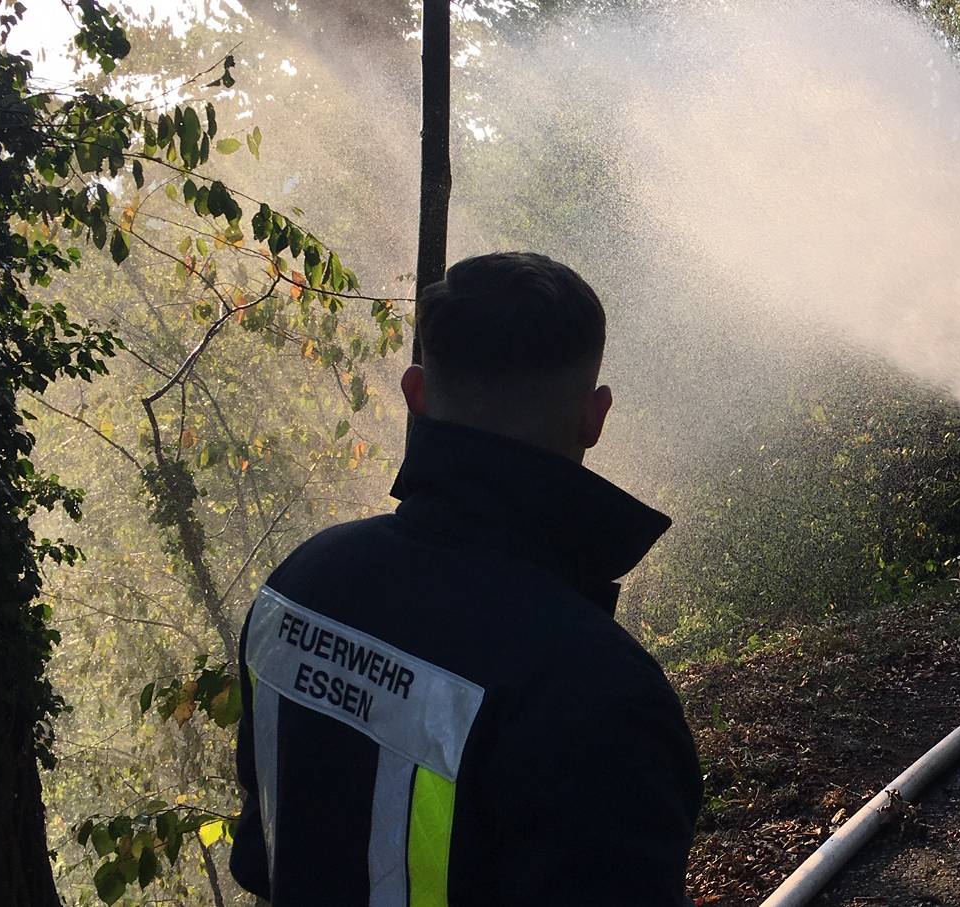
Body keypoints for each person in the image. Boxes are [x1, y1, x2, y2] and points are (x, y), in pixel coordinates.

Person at [229, 252, 701, 905]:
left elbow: (264, 857)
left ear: (416, 393)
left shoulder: (296, 590)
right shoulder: (602, 691)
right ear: (594, 417)